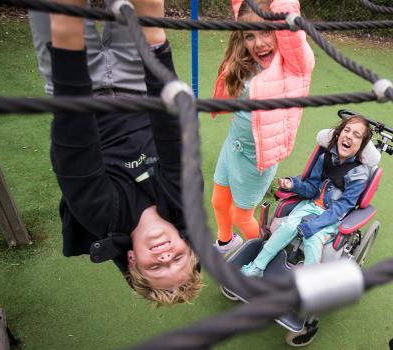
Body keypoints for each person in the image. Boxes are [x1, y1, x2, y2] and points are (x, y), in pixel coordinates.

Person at [44, 0, 201, 306]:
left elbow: (74, 139)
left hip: (78, 83)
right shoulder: (183, 201)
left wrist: (66, 31)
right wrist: (154, 40)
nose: (166, 255)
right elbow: (172, 131)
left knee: (66, 10)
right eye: (177, 258)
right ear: (185, 241)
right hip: (137, 83)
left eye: (156, 266)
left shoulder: (103, 216)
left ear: (132, 258)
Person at [210, 0, 315, 254]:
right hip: (233, 145)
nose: (258, 42)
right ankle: (226, 242)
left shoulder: (293, 66)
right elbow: (241, 7)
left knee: (242, 216)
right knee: (219, 202)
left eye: (266, 32)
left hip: (257, 157)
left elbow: (290, 25)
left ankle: (270, 252)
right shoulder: (246, 61)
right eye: (250, 36)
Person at [240, 115, 373, 277]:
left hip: (334, 216)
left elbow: (343, 206)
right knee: (288, 226)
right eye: (347, 130)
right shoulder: (325, 158)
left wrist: (315, 224)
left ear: (361, 146)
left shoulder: (359, 174)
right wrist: (293, 185)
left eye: (356, 135)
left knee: (313, 239)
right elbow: (311, 187)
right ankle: (257, 266)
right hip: (310, 205)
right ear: (338, 134)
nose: (349, 136)